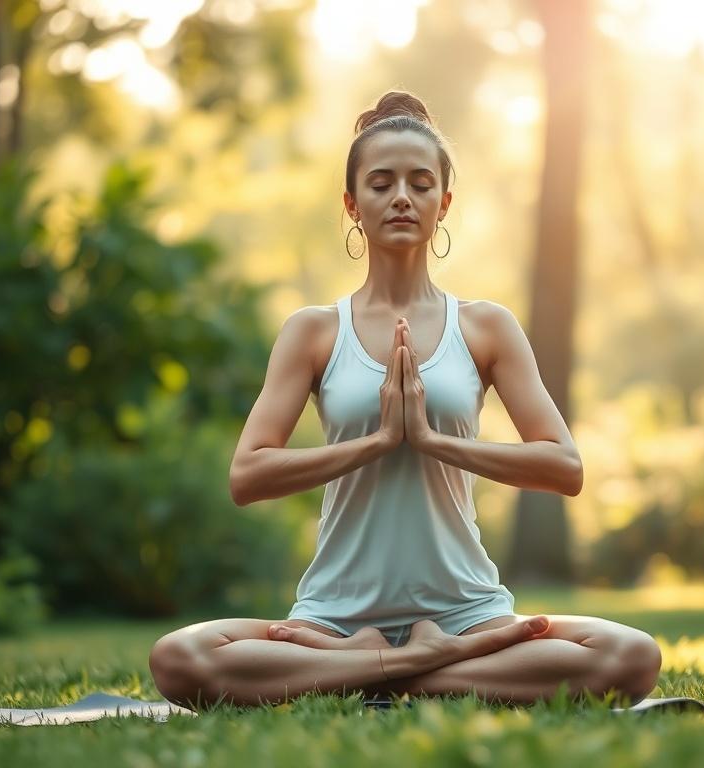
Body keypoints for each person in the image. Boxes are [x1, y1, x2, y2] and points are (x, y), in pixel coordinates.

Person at [148, 90, 661, 710]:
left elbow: (565, 467)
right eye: (381, 183)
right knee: (178, 659)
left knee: (631, 656)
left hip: (467, 614)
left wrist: (435, 440)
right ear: (352, 204)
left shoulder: (485, 327)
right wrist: (378, 442)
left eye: (421, 184)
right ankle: (418, 665)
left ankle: (381, 670)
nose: (401, 197)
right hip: (334, 619)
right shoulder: (313, 331)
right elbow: (247, 475)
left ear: (444, 203)